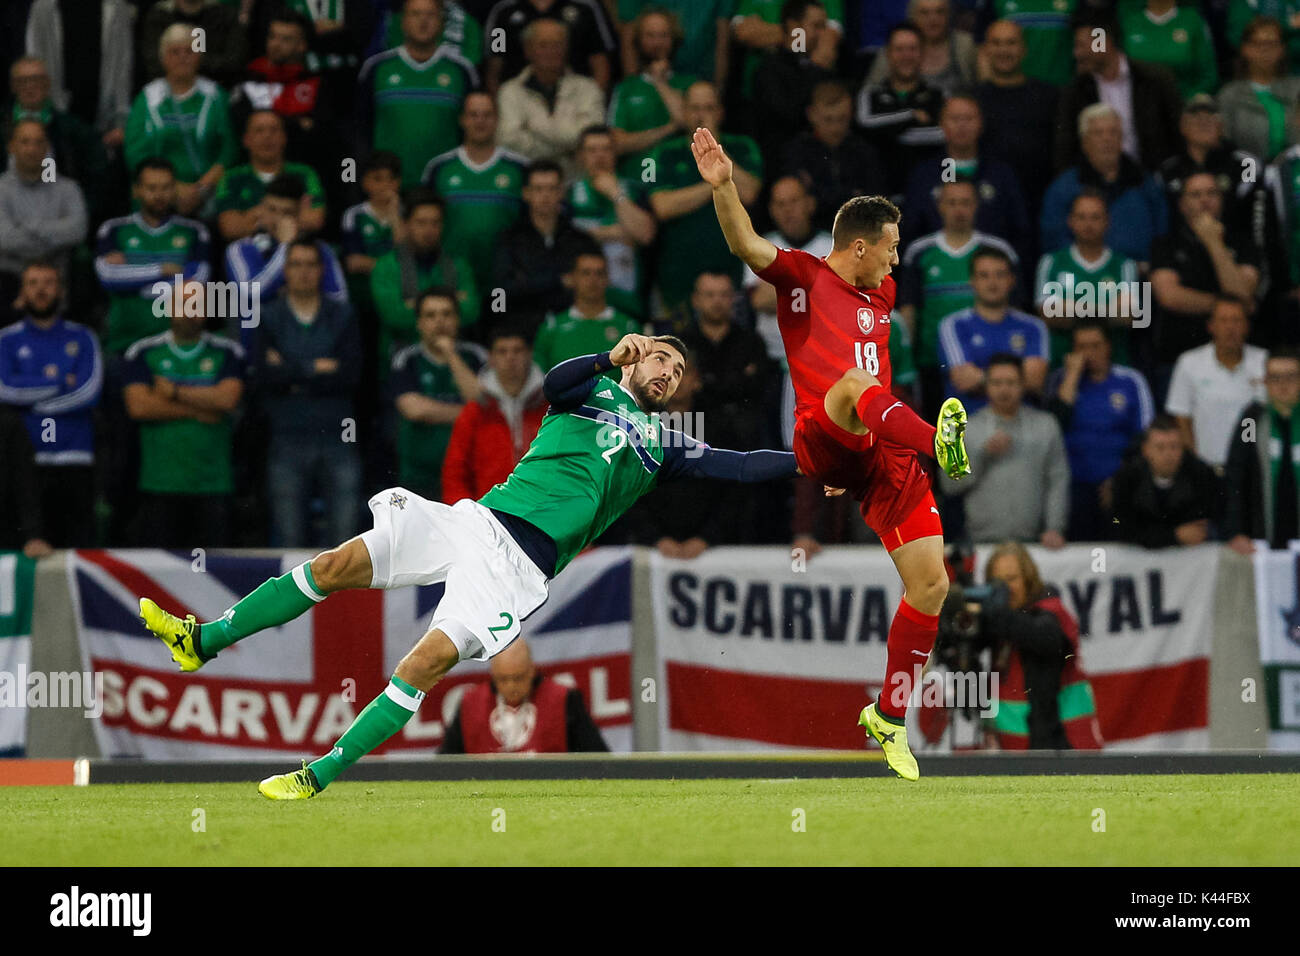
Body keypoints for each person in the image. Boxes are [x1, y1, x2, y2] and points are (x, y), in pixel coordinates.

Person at [138, 333, 800, 798]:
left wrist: (813, 461)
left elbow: (739, 467)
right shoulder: (590, 387)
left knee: (420, 664)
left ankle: (319, 774)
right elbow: (553, 384)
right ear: (638, 355)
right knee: (337, 562)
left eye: (679, 373)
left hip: (515, 569)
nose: (669, 374)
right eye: (662, 359)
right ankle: (202, 641)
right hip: (474, 520)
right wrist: (608, 354)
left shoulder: (663, 443)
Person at [695, 124, 971, 780]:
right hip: (824, 434)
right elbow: (744, 242)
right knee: (855, 384)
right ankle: (941, 445)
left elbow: (874, 377)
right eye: (891, 249)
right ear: (858, 246)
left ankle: (889, 716)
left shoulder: (883, 295)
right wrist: (724, 187)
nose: (896, 261)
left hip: (878, 455)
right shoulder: (802, 277)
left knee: (933, 584)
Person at [255, 240, 364, 548]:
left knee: (344, 545)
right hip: (286, 436)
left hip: (338, 436)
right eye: (296, 264)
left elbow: (350, 376)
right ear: (285, 271)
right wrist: (317, 366)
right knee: (291, 544)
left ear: (322, 270)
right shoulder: (269, 316)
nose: (303, 272)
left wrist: (290, 370)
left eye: (310, 264)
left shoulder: (343, 315)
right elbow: (264, 378)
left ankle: (344, 600)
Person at [122, 280, 246, 548]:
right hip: (160, 483)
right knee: (160, 574)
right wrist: (200, 408)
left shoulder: (227, 351)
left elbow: (227, 399)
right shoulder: (142, 352)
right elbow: (140, 407)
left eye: (197, 304)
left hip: (213, 483)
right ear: (168, 308)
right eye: (183, 303)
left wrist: (174, 391)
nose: (190, 310)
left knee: (217, 575)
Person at [0, 260, 101, 548]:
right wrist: (58, 385)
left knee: (76, 555)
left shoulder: (83, 337)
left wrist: (31, 402)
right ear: (22, 293)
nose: (41, 290)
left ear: (61, 291)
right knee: (24, 555)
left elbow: (88, 392)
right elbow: (3, 389)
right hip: (24, 464)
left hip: (74, 459)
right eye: (33, 283)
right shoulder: (6, 341)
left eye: (48, 283)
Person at [898, 179, 1019, 420]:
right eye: (952, 203)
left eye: (965, 202)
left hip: (991, 361)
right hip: (932, 363)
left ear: (976, 205)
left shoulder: (999, 250)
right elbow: (909, 310)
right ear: (939, 206)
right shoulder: (919, 251)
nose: (959, 209)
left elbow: (1013, 308)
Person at [647, 82, 762, 311]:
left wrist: (716, 150)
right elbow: (662, 206)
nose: (702, 115)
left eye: (709, 108)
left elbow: (749, 192)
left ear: (720, 112)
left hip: (731, 271)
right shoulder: (663, 152)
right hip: (677, 275)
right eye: (695, 108)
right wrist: (717, 183)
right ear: (685, 112)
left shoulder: (744, 147)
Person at [981, 541, 1104, 750]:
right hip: (1016, 748)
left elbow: (1046, 639)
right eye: (997, 582)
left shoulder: (1051, 610)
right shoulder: (999, 618)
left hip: (1066, 743)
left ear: (1028, 580)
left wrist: (998, 616)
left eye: (1011, 579)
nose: (1004, 589)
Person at [939, 353, 1069, 548]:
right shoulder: (966, 428)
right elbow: (948, 485)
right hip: (980, 543)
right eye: (996, 383)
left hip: (1035, 543)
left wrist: (1054, 528)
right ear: (986, 386)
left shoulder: (1046, 425)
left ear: (1023, 385)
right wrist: (982, 455)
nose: (1004, 390)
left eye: (1011, 382)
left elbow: (1058, 480)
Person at [1047, 320, 1155, 543]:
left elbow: (1146, 437)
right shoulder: (1061, 380)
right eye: (1082, 347)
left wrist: (1119, 480)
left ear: (1108, 347)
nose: (1089, 353)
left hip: (1121, 484)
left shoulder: (1131, 381)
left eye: (1095, 346)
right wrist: (1073, 376)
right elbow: (1054, 428)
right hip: (1072, 486)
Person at [1150, 171, 1261, 384]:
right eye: (1195, 194)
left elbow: (1241, 295)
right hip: (1178, 355)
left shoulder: (1243, 243)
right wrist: (1227, 309)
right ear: (1182, 204)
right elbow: (1169, 296)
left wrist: (1213, 242)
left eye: (1212, 193)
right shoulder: (1165, 244)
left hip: (1237, 359)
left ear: (1221, 201)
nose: (1204, 200)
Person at [356, 0, 478, 188]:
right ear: (403, 22)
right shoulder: (376, 68)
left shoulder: (461, 71)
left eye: (430, 15)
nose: (423, 21)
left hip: (444, 187)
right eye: (415, 14)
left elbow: (472, 130)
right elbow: (361, 129)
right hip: (389, 187)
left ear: (442, 23)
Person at [899, 94, 1031, 261]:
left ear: (981, 123)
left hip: (992, 276)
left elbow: (1020, 230)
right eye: (954, 118)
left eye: (969, 118)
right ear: (941, 123)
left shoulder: (1001, 173)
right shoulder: (924, 175)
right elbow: (910, 230)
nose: (962, 125)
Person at [124, 23, 237, 217]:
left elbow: (230, 148)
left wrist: (202, 188)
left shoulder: (216, 96)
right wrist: (173, 188)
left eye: (189, 51)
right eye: (174, 52)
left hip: (209, 196)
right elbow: (135, 153)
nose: (183, 57)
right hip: (156, 195)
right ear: (163, 58)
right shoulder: (148, 98)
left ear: (200, 55)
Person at [421, 92, 527, 294]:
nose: (480, 121)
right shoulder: (439, 168)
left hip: (504, 280)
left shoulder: (519, 168)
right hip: (452, 279)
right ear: (462, 119)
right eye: (473, 115)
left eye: (487, 115)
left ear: (497, 120)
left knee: (500, 321)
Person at [1040, 103, 1168, 267]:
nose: (1107, 139)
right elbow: (1054, 239)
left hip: (1141, 275)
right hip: (1083, 278)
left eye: (1113, 133)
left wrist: (1153, 265)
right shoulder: (1063, 188)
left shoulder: (1145, 184)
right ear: (1084, 142)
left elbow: (1163, 232)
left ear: (1122, 139)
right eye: (1098, 133)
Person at [1055, 11, 1182, 173]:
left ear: (1101, 41)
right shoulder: (1075, 90)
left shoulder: (1155, 79)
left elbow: (1176, 133)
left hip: (1151, 179)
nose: (1076, 53)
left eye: (1081, 45)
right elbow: (1065, 147)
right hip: (1096, 183)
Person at [391, 288, 486, 502]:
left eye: (446, 314)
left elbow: (481, 400)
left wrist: (451, 354)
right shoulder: (406, 359)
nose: (440, 322)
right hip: (419, 475)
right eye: (430, 315)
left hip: (470, 473)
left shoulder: (477, 356)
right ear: (419, 323)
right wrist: (469, 413)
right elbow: (414, 410)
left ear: (458, 319)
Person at [439, 638, 609, 753]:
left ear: (532, 670)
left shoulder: (564, 699)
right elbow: (445, 766)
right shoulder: (471, 704)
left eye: (518, 677)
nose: (511, 686)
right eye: (503, 679)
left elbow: (597, 760)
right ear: (493, 674)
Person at [371, 189, 480, 368]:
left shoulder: (458, 265)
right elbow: (394, 316)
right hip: (401, 359)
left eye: (435, 223)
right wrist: (451, 306)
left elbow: (471, 312)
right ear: (406, 224)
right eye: (421, 223)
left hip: (454, 356)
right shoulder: (386, 266)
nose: (429, 230)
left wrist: (413, 304)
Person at [441, 325, 548, 504]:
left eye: (518, 350)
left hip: (541, 512)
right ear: (491, 358)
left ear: (530, 354)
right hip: (486, 513)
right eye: (502, 351)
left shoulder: (550, 407)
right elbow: (455, 472)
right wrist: (464, 515)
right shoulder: (475, 412)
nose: (510, 358)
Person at [1033, 189, 1140, 367]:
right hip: (1061, 365)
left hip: (1113, 368)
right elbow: (1047, 313)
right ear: (1071, 221)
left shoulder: (1124, 266)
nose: (1088, 224)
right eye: (1081, 217)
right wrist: (1106, 310)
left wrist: (1069, 308)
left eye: (1095, 217)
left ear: (1107, 221)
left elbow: (1127, 316)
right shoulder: (1051, 262)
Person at [492, 161, 601, 332]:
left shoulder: (581, 241)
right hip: (522, 331)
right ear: (526, 193)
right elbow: (501, 291)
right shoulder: (509, 240)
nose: (545, 196)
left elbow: (594, 286)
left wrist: (530, 284)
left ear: (561, 193)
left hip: (572, 330)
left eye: (552, 189)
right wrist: (558, 282)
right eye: (538, 189)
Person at [937, 245, 1048, 413]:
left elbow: (1035, 380)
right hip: (968, 424)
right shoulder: (953, 325)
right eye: (984, 275)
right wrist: (1014, 380)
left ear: (1012, 280)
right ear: (972, 281)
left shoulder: (1033, 326)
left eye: (1000, 275)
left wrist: (982, 377)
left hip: (1023, 424)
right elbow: (963, 379)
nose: (992, 282)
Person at [565, 125, 657, 318]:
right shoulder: (567, 195)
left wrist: (616, 194)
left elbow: (645, 234)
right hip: (578, 305)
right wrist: (620, 232)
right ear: (581, 155)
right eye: (592, 150)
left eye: (606, 149)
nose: (599, 156)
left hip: (630, 303)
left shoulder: (634, 191)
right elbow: (565, 240)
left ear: (615, 153)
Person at [1165, 297, 1268, 469]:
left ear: (1247, 326)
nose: (1230, 327)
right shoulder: (1189, 363)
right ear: (1211, 326)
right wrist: (1195, 463)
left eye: (1236, 320)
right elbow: (1181, 418)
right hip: (1207, 469)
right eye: (1223, 320)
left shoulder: (1265, 362)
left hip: (1254, 468)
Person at [495, 18, 606, 178]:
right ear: (528, 50)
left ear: (566, 48)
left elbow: (591, 140)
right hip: (528, 184)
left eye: (557, 45)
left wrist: (534, 127)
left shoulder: (588, 89)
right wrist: (568, 148)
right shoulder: (509, 91)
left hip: (578, 182)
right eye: (543, 45)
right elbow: (510, 142)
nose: (551, 51)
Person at [974, 20, 1059, 223]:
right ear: (986, 50)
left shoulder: (1049, 96)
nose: (1004, 50)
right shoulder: (973, 99)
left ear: (1023, 49)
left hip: (1040, 200)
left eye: (1011, 43)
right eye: (997, 43)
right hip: (987, 203)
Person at [778, 80, 887, 235]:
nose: (835, 128)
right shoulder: (797, 151)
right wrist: (850, 195)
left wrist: (820, 196)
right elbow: (798, 202)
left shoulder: (864, 151)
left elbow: (875, 203)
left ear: (851, 113)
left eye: (842, 119)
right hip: (809, 238)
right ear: (811, 114)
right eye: (828, 120)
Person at [0, 119, 88, 309]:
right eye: (25, 142)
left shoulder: (68, 189)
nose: (32, 149)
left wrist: (29, 226)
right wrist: (51, 242)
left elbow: (77, 231)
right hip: (8, 284)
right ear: (11, 147)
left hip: (58, 282)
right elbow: (5, 239)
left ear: (47, 147)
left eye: (38, 142)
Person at [855, 21, 945, 197]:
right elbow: (865, 126)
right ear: (888, 53)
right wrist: (911, 116)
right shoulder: (869, 95)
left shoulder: (939, 97)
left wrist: (888, 133)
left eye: (912, 49)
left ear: (923, 53)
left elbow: (944, 135)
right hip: (878, 199)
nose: (906, 56)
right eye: (899, 49)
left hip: (926, 198)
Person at [1223, 348, 1300, 552]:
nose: (1283, 385)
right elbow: (1236, 476)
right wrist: (1236, 531)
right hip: (1263, 538)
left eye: (1291, 377)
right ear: (1265, 381)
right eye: (1275, 378)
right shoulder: (1252, 420)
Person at [214, 110, 328, 242]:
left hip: (295, 253)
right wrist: (290, 212)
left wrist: (255, 216)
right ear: (246, 140)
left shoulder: (304, 173)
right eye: (259, 130)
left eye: (274, 130)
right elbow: (230, 228)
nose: (267, 136)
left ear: (284, 138)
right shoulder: (231, 178)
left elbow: (315, 220)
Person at [608, 7, 694, 180]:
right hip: (635, 180)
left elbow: (689, 124)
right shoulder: (626, 88)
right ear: (639, 41)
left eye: (663, 35)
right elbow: (617, 143)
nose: (657, 43)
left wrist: (660, 82)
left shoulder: (690, 84)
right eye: (650, 35)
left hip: (679, 180)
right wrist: (669, 129)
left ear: (674, 40)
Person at [1111, 414, 1220, 549]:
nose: (1168, 454)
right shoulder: (1127, 478)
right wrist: (1174, 536)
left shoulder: (1200, 476)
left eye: (1174, 447)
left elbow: (1201, 527)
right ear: (1146, 450)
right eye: (1160, 447)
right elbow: (1120, 526)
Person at [533, 251, 642, 374]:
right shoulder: (552, 328)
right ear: (572, 278)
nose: (593, 280)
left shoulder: (628, 327)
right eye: (586, 273)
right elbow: (540, 376)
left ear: (607, 279)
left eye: (599, 273)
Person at [482, 0, 617, 94]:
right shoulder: (503, 12)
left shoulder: (587, 8)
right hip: (517, 103)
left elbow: (601, 66)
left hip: (576, 102)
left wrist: (590, 102)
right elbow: (493, 70)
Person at [1218, 16, 1300, 164]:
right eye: (1258, 43)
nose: (1265, 50)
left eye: (1271, 43)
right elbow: (1224, 144)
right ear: (1245, 48)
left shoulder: (1297, 89)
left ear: (1282, 49)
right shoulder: (1229, 95)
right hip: (1246, 173)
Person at [863, 0, 974, 96]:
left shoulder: (965, 44)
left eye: (940, 12)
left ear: (949, 15)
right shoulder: (896, 45)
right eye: (925, 13)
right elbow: (871, 90)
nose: (933, 19)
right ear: (912, 16)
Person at [1118, 0, 1217, 100]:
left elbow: (1208, 75)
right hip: (1136, 104)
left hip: (1184, 104)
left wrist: (1188, 102)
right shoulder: (1129, 22)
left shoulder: (1193, 20)